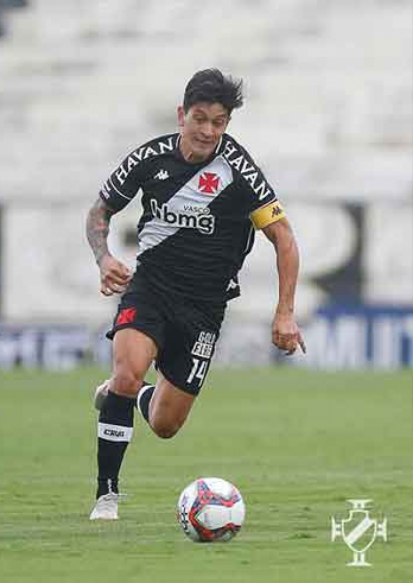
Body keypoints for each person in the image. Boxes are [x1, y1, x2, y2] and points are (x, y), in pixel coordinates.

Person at [85, 69, 305, 520]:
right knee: (129, 372)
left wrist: (285, 313)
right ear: (182, 114)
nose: (208, 131)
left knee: (166, 423)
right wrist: (103, 257)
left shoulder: (240, 172)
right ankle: (106, 496)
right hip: (150, 288)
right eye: (200, 118)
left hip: (205, 307)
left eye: (219, 122)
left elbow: (284, 239)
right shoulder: (151, 157)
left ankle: (125, 395)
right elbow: (101, 210)